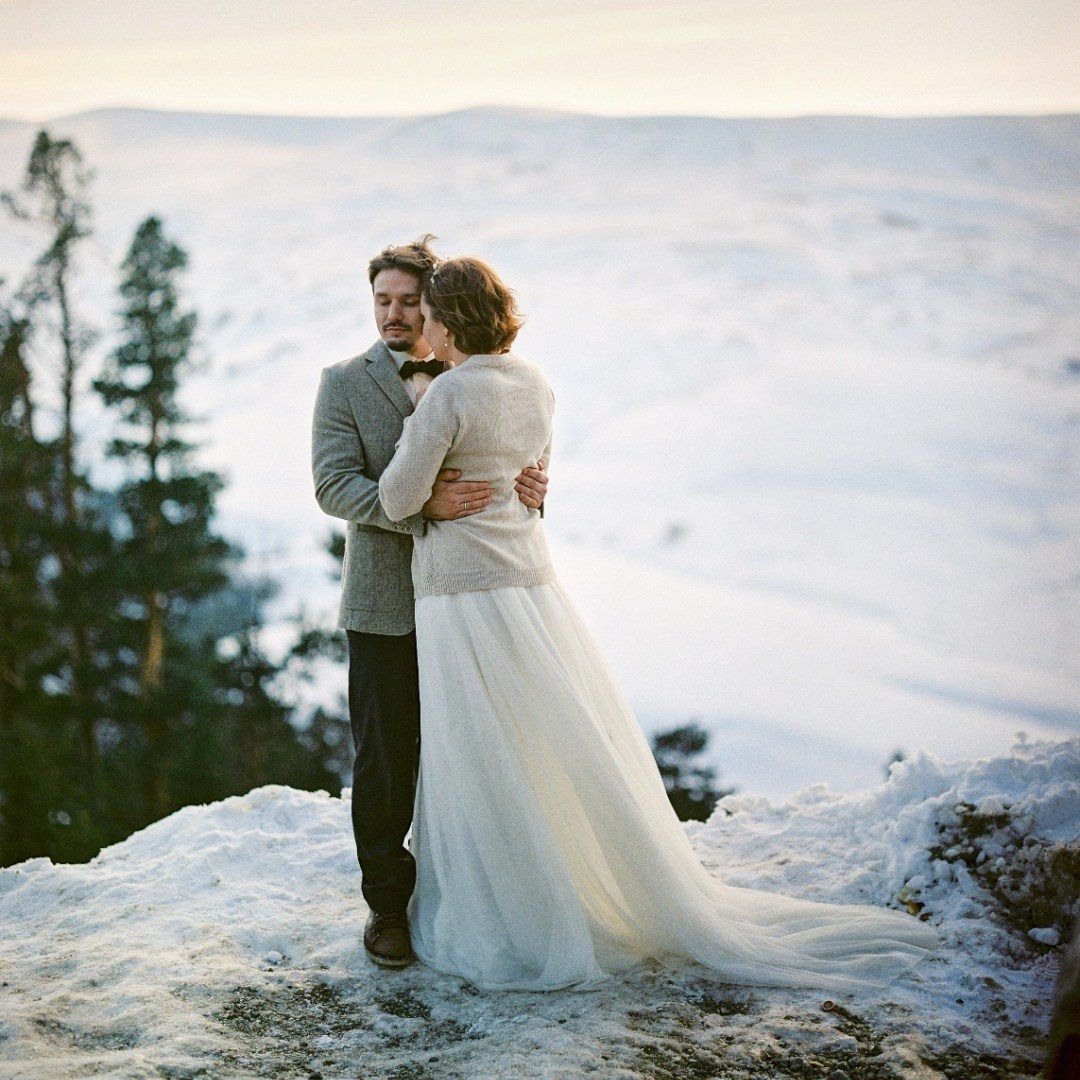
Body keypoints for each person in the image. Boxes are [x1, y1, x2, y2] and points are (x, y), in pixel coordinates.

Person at [376, 254, 942, 993]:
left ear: (449, 324)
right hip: (530, 585)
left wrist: (427, 475)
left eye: (429, 317)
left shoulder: (449, 393)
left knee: (479, 754)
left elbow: (396, 498)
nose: (424, 328)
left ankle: (507, 910)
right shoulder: (535, 382)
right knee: (541, 743)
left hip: (461, 594)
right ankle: (569, 886)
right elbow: (534, 480)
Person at [311, 236, 549, 969]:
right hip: (386, 603)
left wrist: (534, 488)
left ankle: (476, 898)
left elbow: (514, 465)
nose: (392, 313)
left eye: (408, 301)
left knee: (478, 753)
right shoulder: (342, 383)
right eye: (381, 300)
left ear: (437, 307)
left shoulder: (481, 376)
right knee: (387, 760)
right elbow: (333, 486)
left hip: (475, 601)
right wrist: (424, 511)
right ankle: (388, 907)